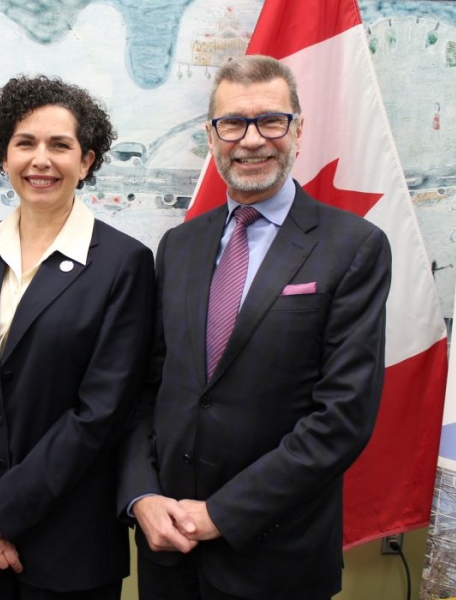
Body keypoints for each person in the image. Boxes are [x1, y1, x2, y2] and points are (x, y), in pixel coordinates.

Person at [118, 55, 392, 600]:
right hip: (168, 552)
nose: (251, 141)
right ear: (211, 135)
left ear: (298, 129)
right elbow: (147, 390)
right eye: (233, 124)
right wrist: (141, 496)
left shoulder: (353, 247)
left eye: (271, 121)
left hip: (277, 559)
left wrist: (221, 513)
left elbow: (342, 417)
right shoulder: (178, 246)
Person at [0, 74, 155, 599]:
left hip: (69, 543)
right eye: (25, 143)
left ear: (88, 161)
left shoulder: (124, 265)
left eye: (60, 145)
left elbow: (102, 411)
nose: (40, 160)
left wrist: (1, 511)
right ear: (3, 155)